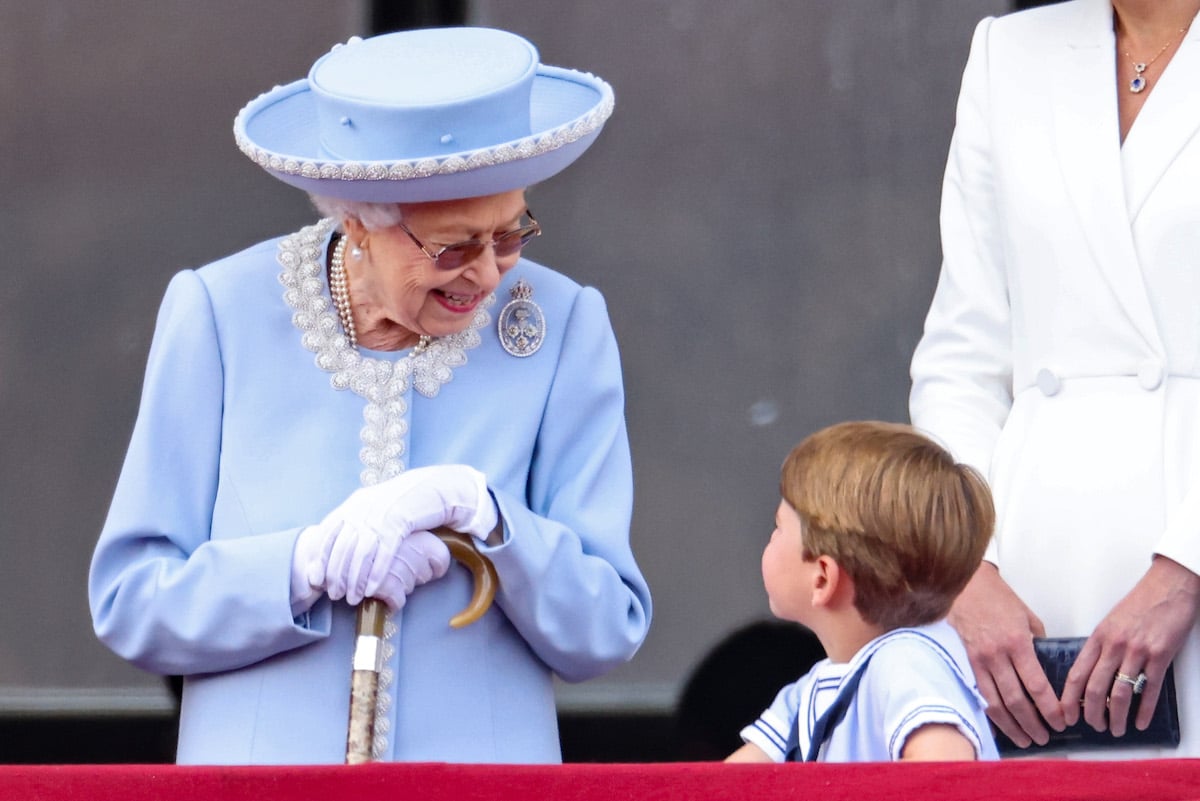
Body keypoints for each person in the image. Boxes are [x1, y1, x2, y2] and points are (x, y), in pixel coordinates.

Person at [88, 26, 651, 765]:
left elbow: (607, 625)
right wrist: (301, 565)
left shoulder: (562, 327)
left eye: (510, 234)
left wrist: (488, 517)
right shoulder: (220, 313)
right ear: (356, 219)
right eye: (452, 246)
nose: (487, 275)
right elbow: (132, 602)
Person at [910, 0, 1200, 757]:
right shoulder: (1010, 53)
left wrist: (1185, 572)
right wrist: (967, 567)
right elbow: (961, 356)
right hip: (1029, 597)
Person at [725, 421, 998, 763]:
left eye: (777, 527)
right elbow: (731, 783)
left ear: (822, 578)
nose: (770, 538)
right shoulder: (813, 688)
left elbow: (943, 769)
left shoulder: (907, 663)